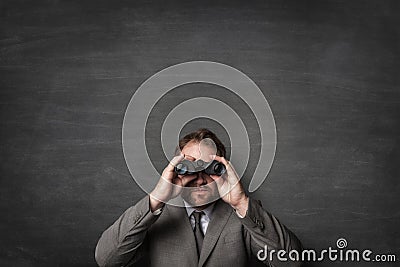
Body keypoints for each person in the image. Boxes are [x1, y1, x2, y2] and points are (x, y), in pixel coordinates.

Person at [95, 128, 303, 267]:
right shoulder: (155, 215)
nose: (200, 180)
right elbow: (107, 260)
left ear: (222, 168)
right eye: (190, 168)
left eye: (209, 168)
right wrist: (157, 197)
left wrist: (241, 203)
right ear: (177, 168)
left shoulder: (243, 214)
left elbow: (293, 261)